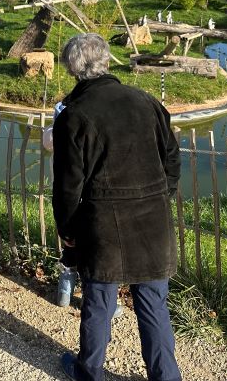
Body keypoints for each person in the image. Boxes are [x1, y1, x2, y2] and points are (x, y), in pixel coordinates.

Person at [52, 33, 182, 381]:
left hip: (102, 226)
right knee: (154, 305)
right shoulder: (146, 100)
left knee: (99, 303)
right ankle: (166, 377)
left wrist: (67, 230)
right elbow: (172, 156)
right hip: (152, 222)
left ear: (72, 69)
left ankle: (89, 372)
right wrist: (160, 194)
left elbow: (68, 185)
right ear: (107, 61)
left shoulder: (73, 115)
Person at [43, 101, 123, 319]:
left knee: (70, 239)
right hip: (93, 193)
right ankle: (96, 299)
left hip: (66, 190)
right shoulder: (100, 112)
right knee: (93, 246)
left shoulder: (61, 113)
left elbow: (48, 142)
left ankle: (64, 292)